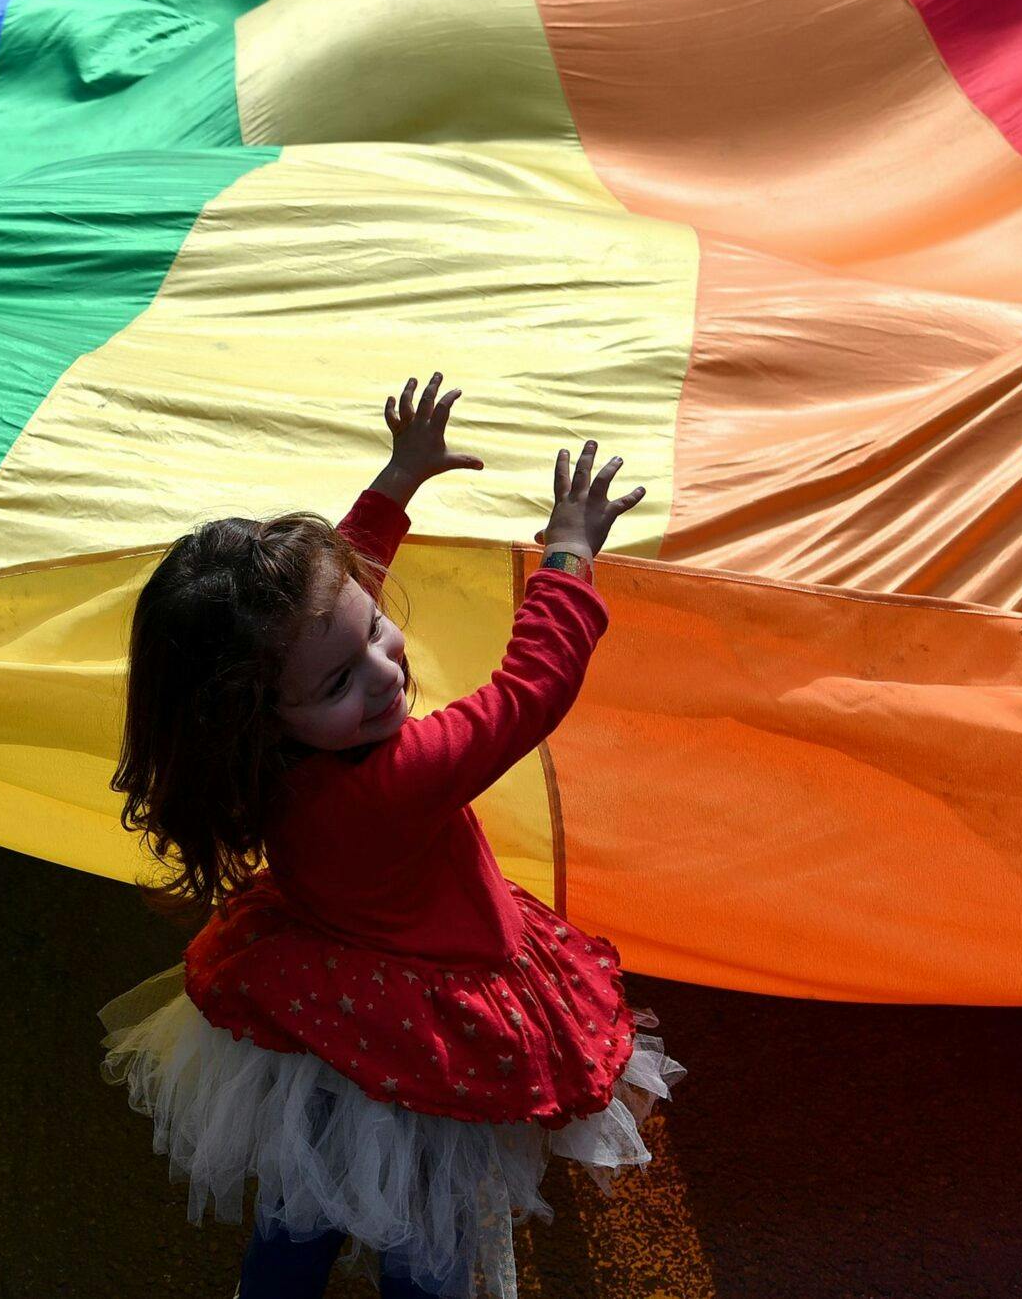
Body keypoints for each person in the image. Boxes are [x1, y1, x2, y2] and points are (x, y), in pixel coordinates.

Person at [101, 374, 684, 1299]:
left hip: (330, 1012)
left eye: (377, 630)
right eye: (340, 683)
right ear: (259, 711)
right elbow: (527, 692)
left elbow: (324, 601)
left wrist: (397, 483)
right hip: (426, 1032)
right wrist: (568, 555)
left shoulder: (261, 756)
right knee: (426, 1222)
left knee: (312, 1191)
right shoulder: (393, 783)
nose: (381, 674)